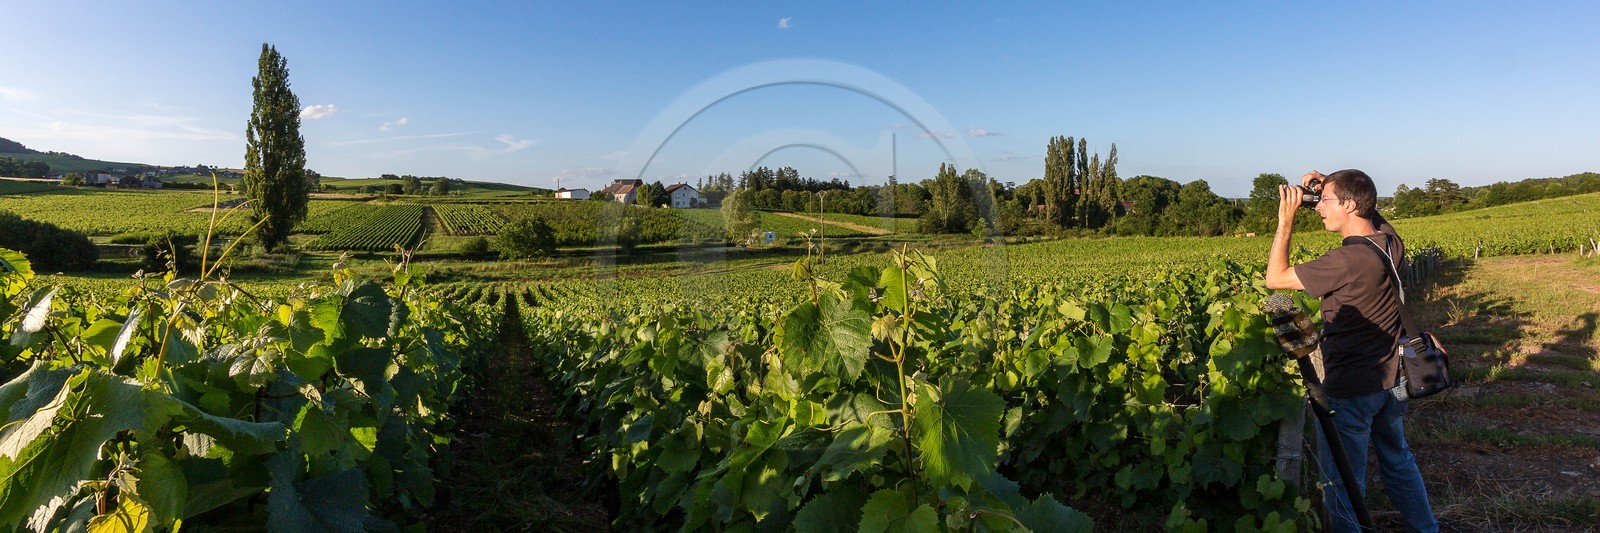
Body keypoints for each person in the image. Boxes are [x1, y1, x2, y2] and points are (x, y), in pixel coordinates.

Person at [1264, 169, 1439, 532]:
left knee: (1342, 485)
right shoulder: (1389, 244)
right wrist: (1331, 181)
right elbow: (1373, 215)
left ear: (1349, 204)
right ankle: (1426, 529)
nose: (1319, 208)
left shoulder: (1345, 260)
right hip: (1394, 381)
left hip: (1354, 387)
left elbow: (1275, 279)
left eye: (1326, 200)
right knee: (1398, 460)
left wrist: (1286, 220)